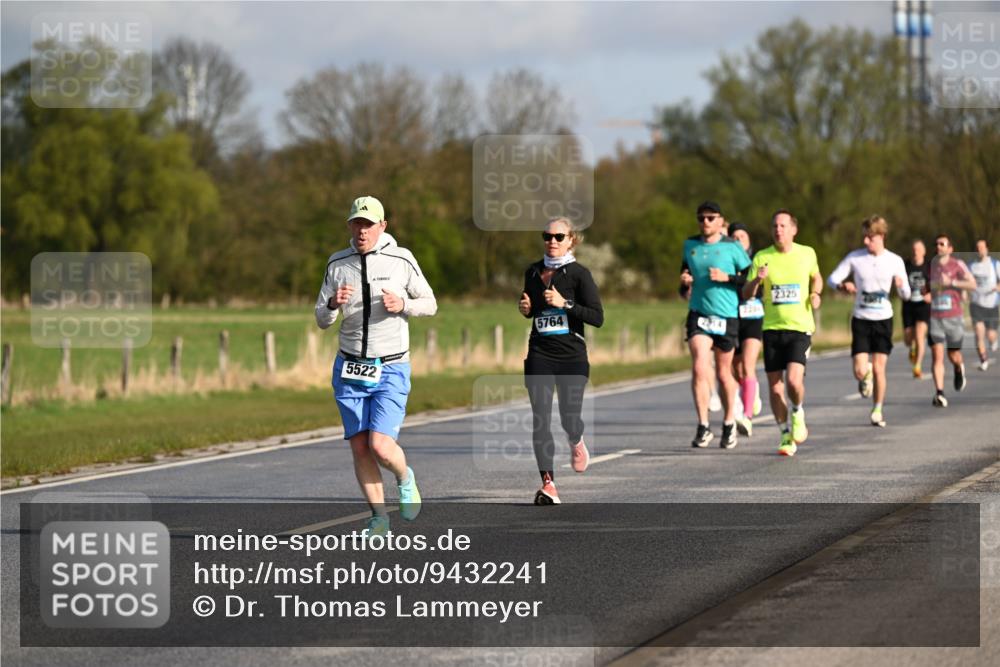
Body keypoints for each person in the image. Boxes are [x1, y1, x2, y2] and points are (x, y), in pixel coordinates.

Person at [315, 195, 437, 535]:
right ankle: (379, 517)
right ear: (350, 226)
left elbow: (430, 303)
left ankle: (404, 476)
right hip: (350, 366)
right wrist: (331, 304)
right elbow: (322, 320)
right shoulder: (337, 263)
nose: (362, 230)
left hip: (391, 366)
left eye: (368, 224)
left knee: (380, 445)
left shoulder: (402, 259)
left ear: (382, 226)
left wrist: (404, 305)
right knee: (359, 445)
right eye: (356, 223)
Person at [519, 217, 604, 505]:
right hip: (540, 353)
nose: (551, 241)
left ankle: (576, 440)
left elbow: (597, 317)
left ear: (571, 240)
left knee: (569, 418)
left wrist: (565, 304)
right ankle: (548, 483)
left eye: (558, 236)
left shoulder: (580, 274)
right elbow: (532, 308)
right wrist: (527, 308)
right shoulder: (533, 271)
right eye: (547, 236)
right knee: (540, 418)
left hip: (572, 357)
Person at [743, 209, 823, 457]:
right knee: (776, 388)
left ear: (793, 229)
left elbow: (816, 277)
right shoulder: (761, 257)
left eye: (783, 226)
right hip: (771, 329)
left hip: (799, 327)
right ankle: (785, 433)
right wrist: (757, 280)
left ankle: (798, 410)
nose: (778, 230)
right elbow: (746, 294)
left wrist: (815, 293)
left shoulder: (807, 253)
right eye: (775, 226)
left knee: (793, 382)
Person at [679, 201, 752, 450]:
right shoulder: (691, 246)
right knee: (700, 367)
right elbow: (683, 283)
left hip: (727, 315)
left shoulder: (732, 247)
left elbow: (749, 280)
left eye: (711, 218)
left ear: (721, 221)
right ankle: (703, 425)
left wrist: (727, 278)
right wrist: (685, 282)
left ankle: (729, 422)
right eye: (701, 218)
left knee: (723, 373)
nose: (705, 222)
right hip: (699, 313)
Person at [827, 216, 910, 427]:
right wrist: (842, 286)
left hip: (883, 319)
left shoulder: (895, 260)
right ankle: (866, 375)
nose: (865, 242)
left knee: (880, 368)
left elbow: (907, 294)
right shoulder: (855, 258)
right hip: (861, 319)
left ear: (881, 236)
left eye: (869, 238)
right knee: (859, 370)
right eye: (864, 237)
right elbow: (832, 278)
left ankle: (877, 409)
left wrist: (900, 286)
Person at [927, 234, 976, 407]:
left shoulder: (957, 265)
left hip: (953, 317)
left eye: (942, 244)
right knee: (937, 356)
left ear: (950, 248)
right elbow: (926, 287)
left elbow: (973, 284)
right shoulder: (931, 266)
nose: (938, 246)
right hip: (935, 318)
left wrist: (953, 282)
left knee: (953, 354)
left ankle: (958, 367)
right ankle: (939, 393)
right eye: (936, 244)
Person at [727, 222, 763, 437]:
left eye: (743, 235)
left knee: (748, 366)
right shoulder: (726, 261)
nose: (739, 239)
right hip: (732, 318)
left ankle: (747, 416)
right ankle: (752, 390)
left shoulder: (756, 260)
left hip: (753, 317)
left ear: (749, 240)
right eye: (735, 236)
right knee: (735, 369)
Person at [969, 239, 1000, 371]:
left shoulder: (995, 264)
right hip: (976, 304)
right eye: (977, 248)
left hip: (991, 304)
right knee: (978, 331)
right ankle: (983, 359)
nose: (979, 250)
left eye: (982, 247)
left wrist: (998, 287)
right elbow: (967, 282)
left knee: (991, 335)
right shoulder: (971, 266)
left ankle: (993, 341)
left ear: (987, 249)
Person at [903, 240, 932, 378]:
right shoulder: (905, 265)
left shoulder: (929, 266)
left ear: (924, 252)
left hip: (923, 305)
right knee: (909, 338)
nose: (916, 252)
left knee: (920, 334)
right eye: (914, 249)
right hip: (908, 304)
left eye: (919, 249)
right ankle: (912, 346)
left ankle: (918, 366)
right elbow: (898, 281)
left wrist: (931, 294)